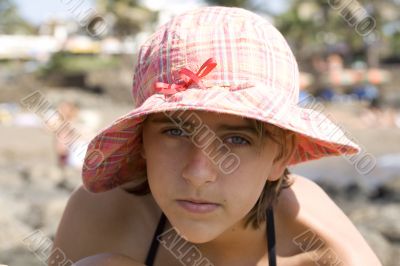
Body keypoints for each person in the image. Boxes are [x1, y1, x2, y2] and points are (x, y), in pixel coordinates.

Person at [49, 6, 381, 266]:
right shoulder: (102, 218)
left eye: (237, 139)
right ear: (141, 141)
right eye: (175, 130)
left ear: (279, 155)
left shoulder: (325, 256)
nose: (198, 172)